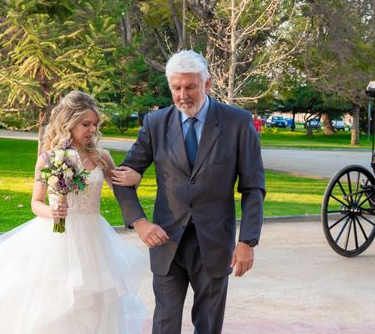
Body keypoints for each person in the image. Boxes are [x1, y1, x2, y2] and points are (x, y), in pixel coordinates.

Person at [0, 91, 147, 334]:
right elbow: (35, 203)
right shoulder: (49, 158)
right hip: (57, 237)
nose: (92, 129)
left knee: (96, 300)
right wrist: (53, 211)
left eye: (95, 124)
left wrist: (135, 178)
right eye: (86, 124)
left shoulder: (101, 157)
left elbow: (122, 189)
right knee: (55, 301)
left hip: (94, 238)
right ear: (68, 123)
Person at [112, 50, 266, 334]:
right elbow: (120, 178)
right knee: (165, 324)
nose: (183, 94)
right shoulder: (155, 124)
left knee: (208, 325)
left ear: (207, 84)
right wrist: (140, 222)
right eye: (176, 88)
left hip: (214, 242)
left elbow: (253, 187)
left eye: (190, 87)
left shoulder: (237, 122)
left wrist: (248, 241)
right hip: (166, 242)